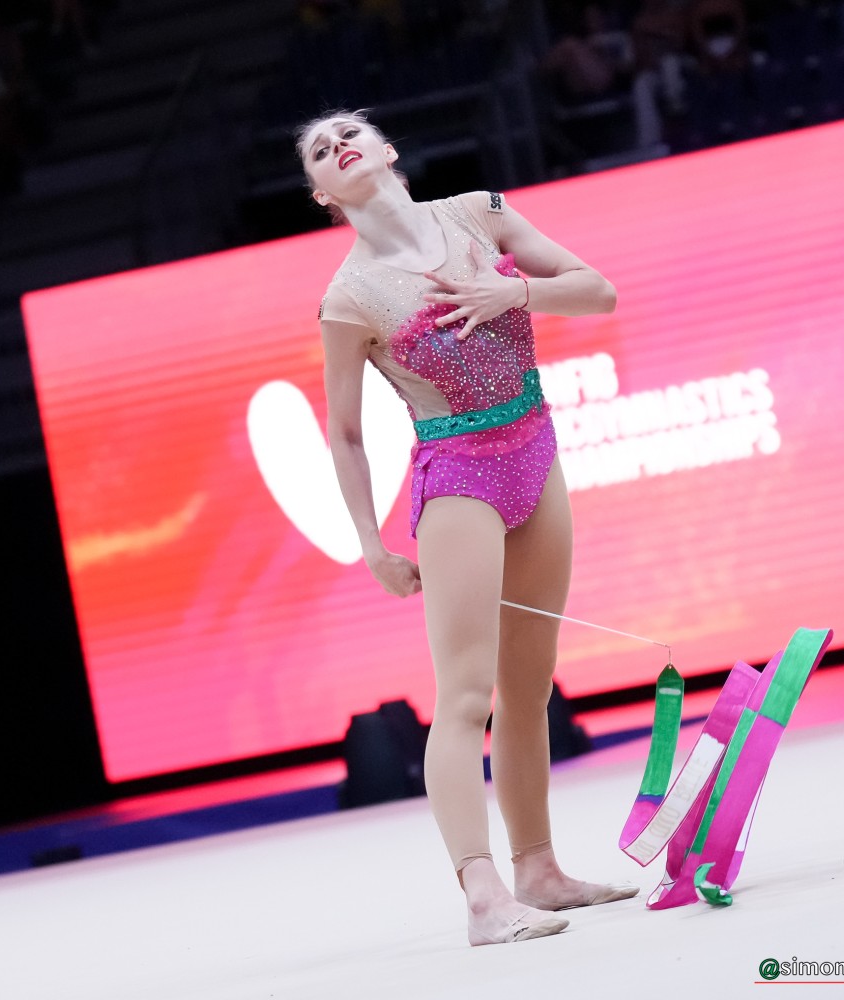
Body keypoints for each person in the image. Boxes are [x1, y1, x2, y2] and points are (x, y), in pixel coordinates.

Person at [297, 109, 637, 947]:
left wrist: (514, 291)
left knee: (531, 686)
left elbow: (598, 292)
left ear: (387, 150)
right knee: (465, 696)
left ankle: (539, 870)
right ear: (322, 193)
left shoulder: (480, 213)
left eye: (349, 134)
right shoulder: (349, 298)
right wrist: (371, 546)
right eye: (320, 151)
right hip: (459, 477)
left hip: (536, 449)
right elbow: (345, 434)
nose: (339, 146)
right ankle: (484, 898)